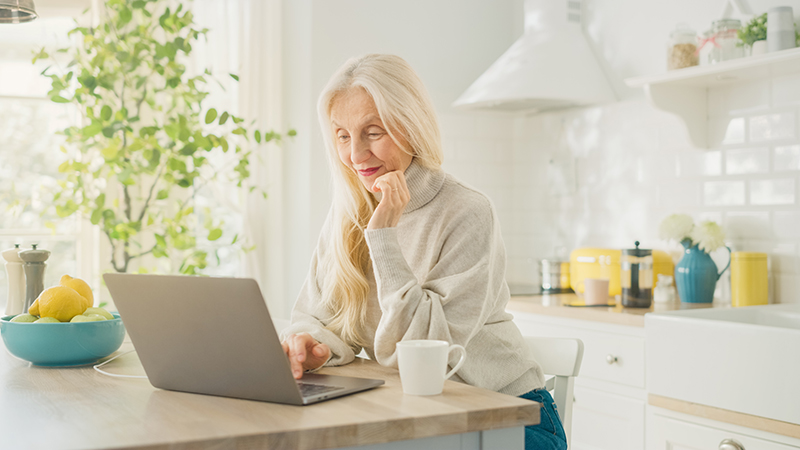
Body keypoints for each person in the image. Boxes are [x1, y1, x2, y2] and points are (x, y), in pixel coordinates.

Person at [280, 53, 567, 450]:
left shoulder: (467, 211)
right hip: (417, 416)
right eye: (343, 135)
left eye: (373, 132)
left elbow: (428, 358)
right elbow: (316, 316)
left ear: (411, 126)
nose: (356, 155)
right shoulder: (346, 215)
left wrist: (383, 237)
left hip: (510, 414)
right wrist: (311, 345)